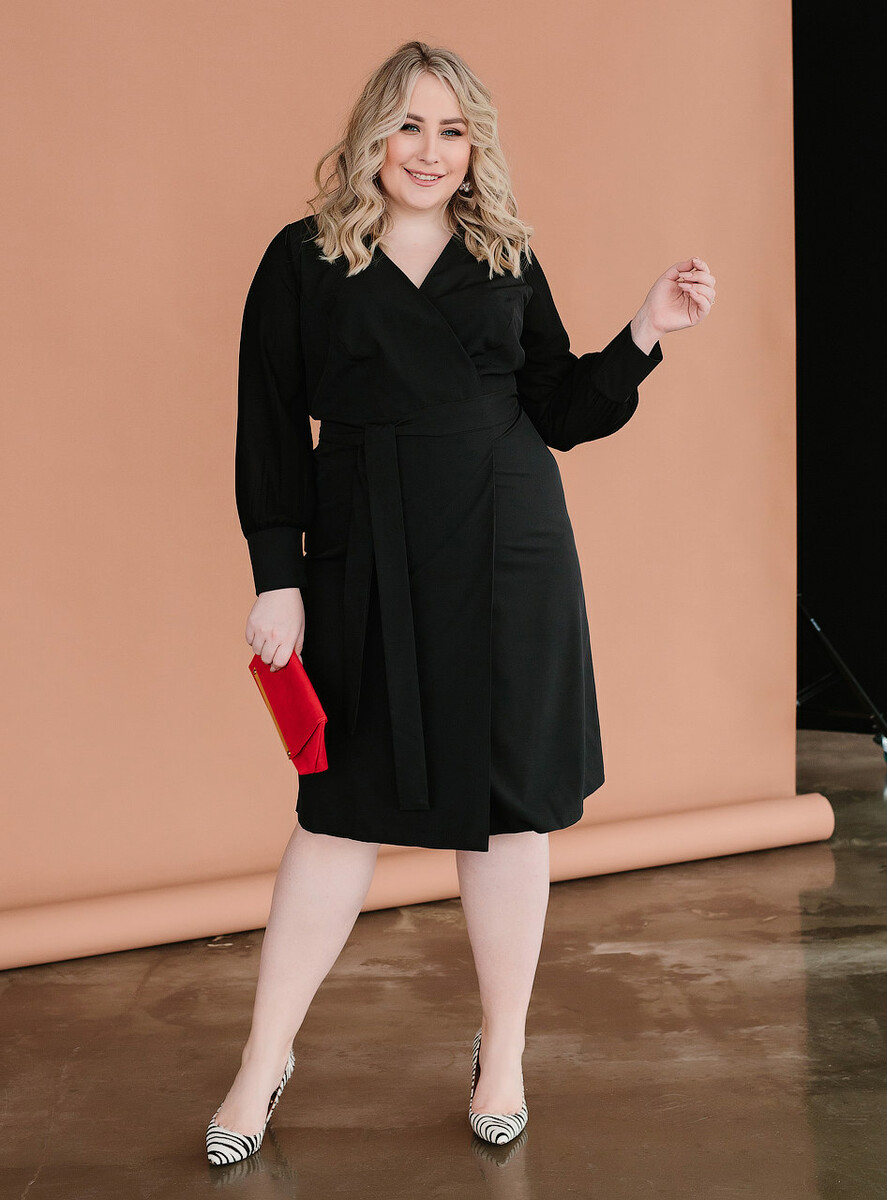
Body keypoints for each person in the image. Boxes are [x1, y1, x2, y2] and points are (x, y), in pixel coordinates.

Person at [207, 39, 716, 1164]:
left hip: (509, 546)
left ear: (474, 145)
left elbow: (561, 409)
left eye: (452, 130)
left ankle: (503, 1052)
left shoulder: (504, 251)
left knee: (509, 808)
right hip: (365, 547)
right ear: (372, 136)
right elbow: (268, 424)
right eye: (409, 125)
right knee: (338, 814)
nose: (430, 151)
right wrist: (278, 576)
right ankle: (262, 1060)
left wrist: (645, 332)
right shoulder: (302, 258)